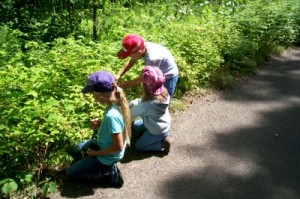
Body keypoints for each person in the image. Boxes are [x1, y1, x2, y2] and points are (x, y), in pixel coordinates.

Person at [66, 70, 131, 187]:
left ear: (101, 94)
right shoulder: (115, 104)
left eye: (92, 94)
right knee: (77, 149)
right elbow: (116, 126)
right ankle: (91, 160)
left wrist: (96, 153)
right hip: (103, 144)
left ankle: (109, 173)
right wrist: (101, 123)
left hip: (107, 156)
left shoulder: (112, 115)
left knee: (70, 173)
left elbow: (118, 146)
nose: (92, 97)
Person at [116, 34, 179, 98]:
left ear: (139, 52)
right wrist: (118, 75)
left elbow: (147, 78)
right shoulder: (142, 46)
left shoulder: (152, 58)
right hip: (156, 74)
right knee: (153, 98)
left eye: (130, 55)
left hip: (168, 76)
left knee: (164, 100)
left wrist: (126, 84)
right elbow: (131, 62)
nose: (129, 57)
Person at [129, 66, 171, 154]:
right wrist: (134, 102)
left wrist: (125, 107)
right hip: (163, 124)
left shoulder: (147, 106)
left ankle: (162, 144)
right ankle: (163, 135)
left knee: (139, 147)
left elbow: (131, 114)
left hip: (156, 131)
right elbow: (142, 102)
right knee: (136, 126)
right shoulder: (165, 93)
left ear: (145, 85)